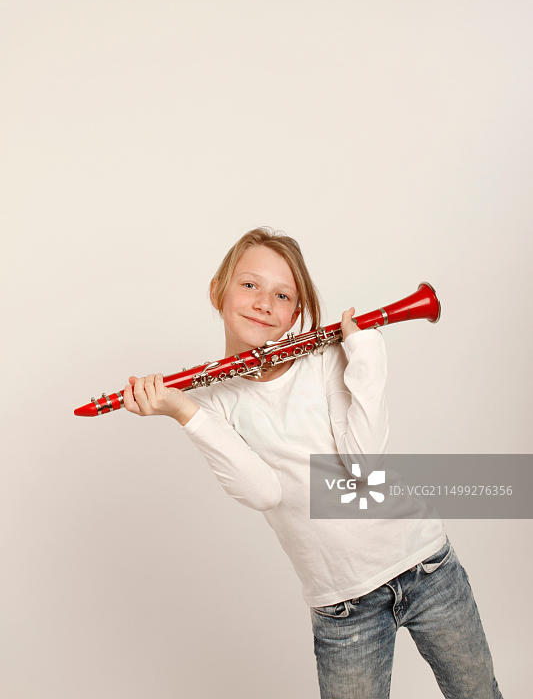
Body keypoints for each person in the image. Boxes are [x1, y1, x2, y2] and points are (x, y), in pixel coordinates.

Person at [122, 226, 503, 699]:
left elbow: (362, 465)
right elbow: (263, 492)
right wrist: (184, 410)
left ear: (296, 311)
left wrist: (367, 353)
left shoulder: (324, 360)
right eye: (249, 284)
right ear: (218, 289)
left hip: (427, 567)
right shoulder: (210, 402)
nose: (264, 303)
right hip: (343, 609)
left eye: (282, 295)